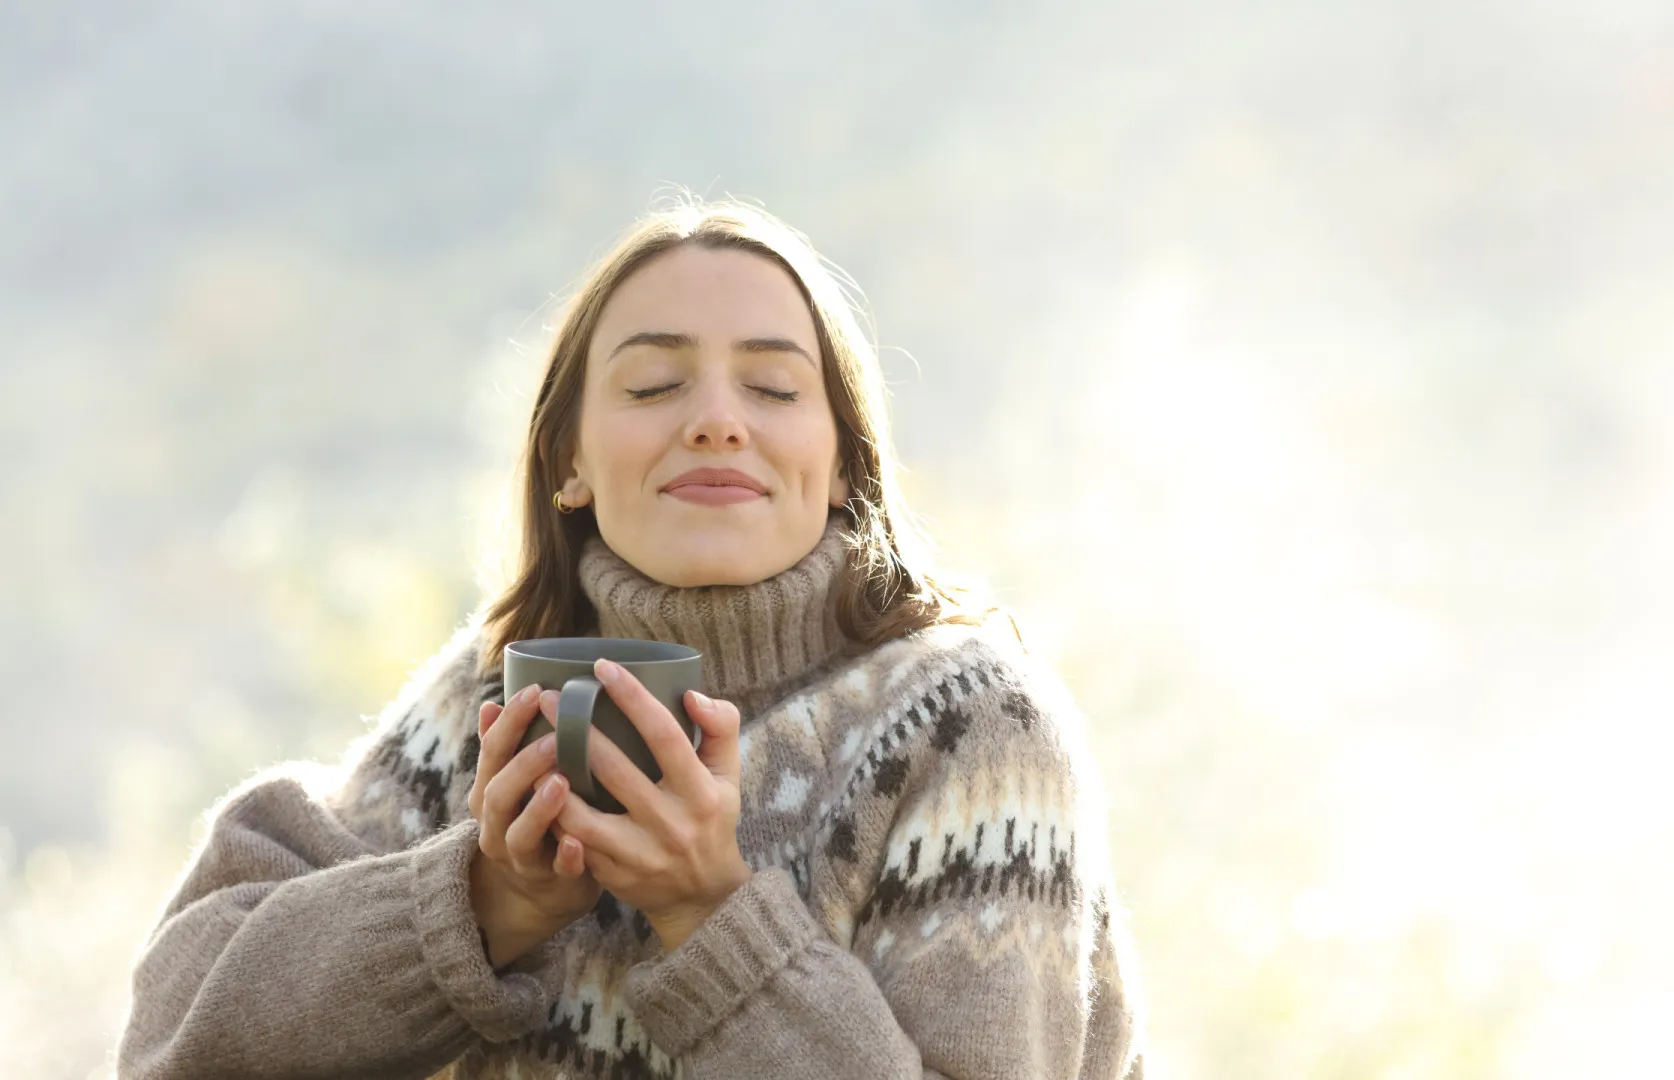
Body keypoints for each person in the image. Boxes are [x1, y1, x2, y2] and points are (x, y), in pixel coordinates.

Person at [117, 200, 1147, 1079]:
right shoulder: (484, 701)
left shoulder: (973, 730)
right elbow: (174, 1040)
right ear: (568, 460)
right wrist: (482, 901)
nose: (713, 420)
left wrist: (710, 912)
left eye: (776, 389)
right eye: (655, 386)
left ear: (842, 465)